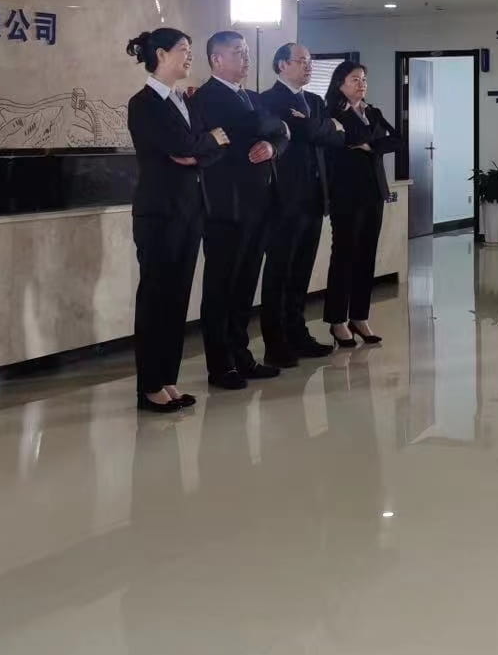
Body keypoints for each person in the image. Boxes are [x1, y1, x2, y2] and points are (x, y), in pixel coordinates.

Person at [125, 27, 229, 413]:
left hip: (190, 210)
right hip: (159, 213)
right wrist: (206, 143)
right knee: (156, 299)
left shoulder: (186, 100)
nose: (189, 56)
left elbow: (214, 147)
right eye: (183, 49)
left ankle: (168, 379)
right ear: (160, 55)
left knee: (178, 298)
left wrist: (203, 146)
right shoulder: (144, 103)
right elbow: (185, 145)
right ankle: (149, 386)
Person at [190, 31, 291, 388]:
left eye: (247, 52)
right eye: (238, 53)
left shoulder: (251, 97)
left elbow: (280, 133)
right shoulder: (206, 98)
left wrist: (273, 144)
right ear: (216, 59)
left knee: (246, 284)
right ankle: (220, 365)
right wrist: (276, 126)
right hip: (225, 207)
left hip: (258, 205)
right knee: (221, 286)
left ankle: (241, 355)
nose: (246, 59)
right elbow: (258, 124)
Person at [258, 43, 347, 367]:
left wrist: (317, 127)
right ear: (282, 65)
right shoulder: (270, 100)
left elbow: (337, 137)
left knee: (301, 272)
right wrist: (321, 128)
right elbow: (299, 132)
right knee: (279, 272)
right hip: (284, 198)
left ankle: (298, 334)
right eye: (301, 61)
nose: (308, 66)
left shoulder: (314, 101)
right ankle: (275, 342)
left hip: (313, 198)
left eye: (310, 61)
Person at [321, 61, 401, 347]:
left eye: (364, 79)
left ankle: (359, 316)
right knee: (344, 256)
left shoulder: (372, 112)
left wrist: (370, 146)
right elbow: (347, 140)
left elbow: (397, 140)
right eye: (355, 79)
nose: (361, 84)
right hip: (346, 193)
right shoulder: (332, 113)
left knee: (367, 255)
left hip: (374, 192)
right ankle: (337, 320)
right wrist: (371, 140)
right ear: (340, 83)